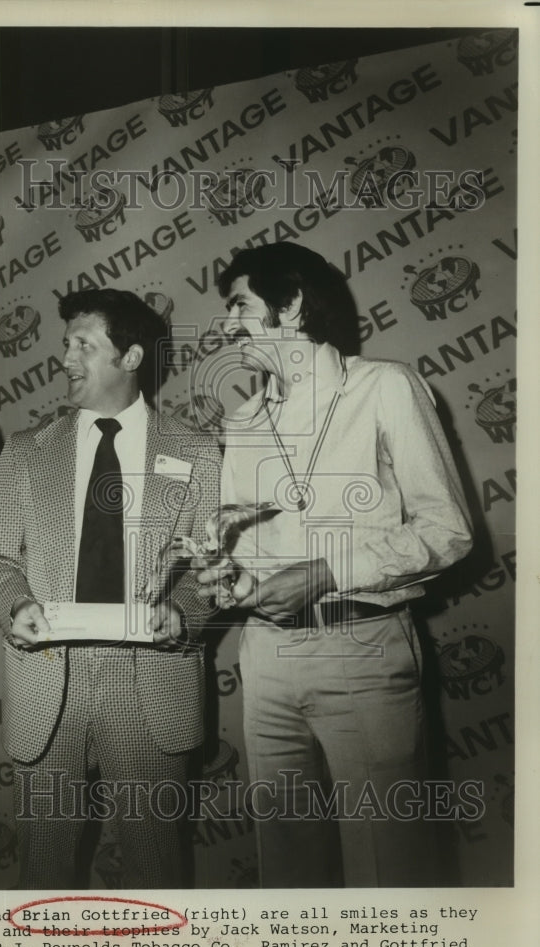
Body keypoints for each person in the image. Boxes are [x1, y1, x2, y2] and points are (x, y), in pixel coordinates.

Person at [194, 242, 473, 888]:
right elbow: (246, 556)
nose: (227, 326)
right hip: (266, 658)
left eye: (239, 306)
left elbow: (448, 531)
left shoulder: (385, 386)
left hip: (364, 648)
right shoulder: (242, 420)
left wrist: (325, 573)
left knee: (391, 869)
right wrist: (235, 579)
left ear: (291, 305)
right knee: (287, 870)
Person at [0, 288, 221, 889]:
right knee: (42, 871)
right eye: (66, 344)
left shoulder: (195, 452)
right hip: (47, 679)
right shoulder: (25, 452)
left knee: (156, 869)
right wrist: (16, 605)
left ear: (130, 356)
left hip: (149, 683)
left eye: (83, 345)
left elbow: (211, 567)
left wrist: (181, 612)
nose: (66, 358)